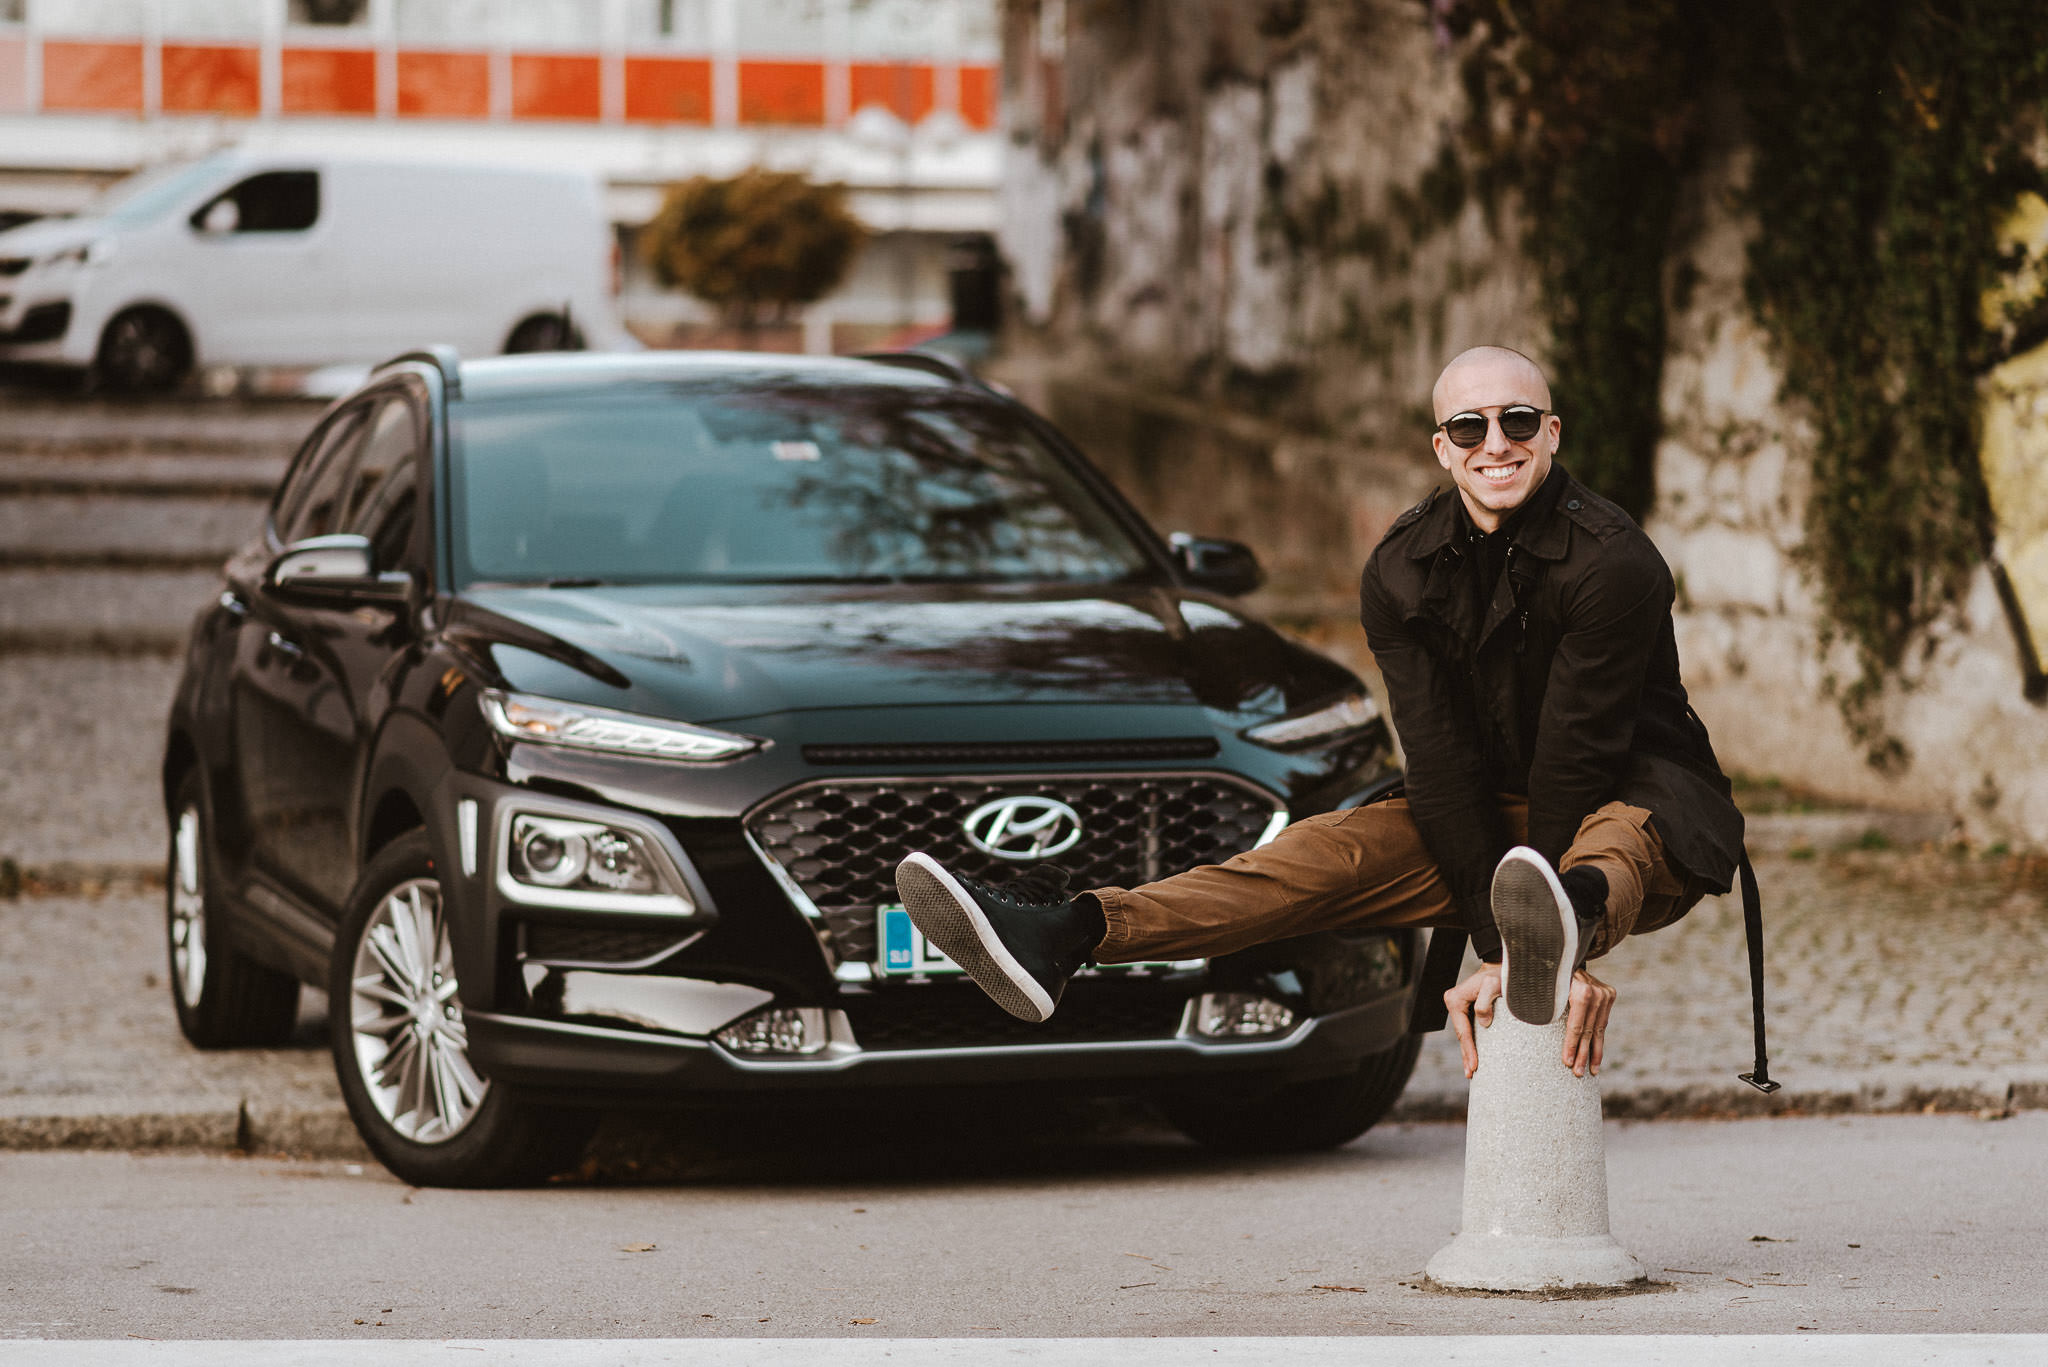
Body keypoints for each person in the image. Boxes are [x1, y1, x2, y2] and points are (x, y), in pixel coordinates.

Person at [894, 345, 1745, 1080]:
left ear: (1551, 433)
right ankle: (1068, 932)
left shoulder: (1614, 563)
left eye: (1518, 421)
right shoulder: (1401, 569)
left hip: (1635, 800)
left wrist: (1525, 945)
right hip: (1484, 819)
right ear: (1441, 447)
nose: (1496, 443)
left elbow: (1576, 757)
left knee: (1612, 844)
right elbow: (1440, 763)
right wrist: (1500, 934)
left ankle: (1565, 917)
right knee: (1313, 855)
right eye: (1469, 427)